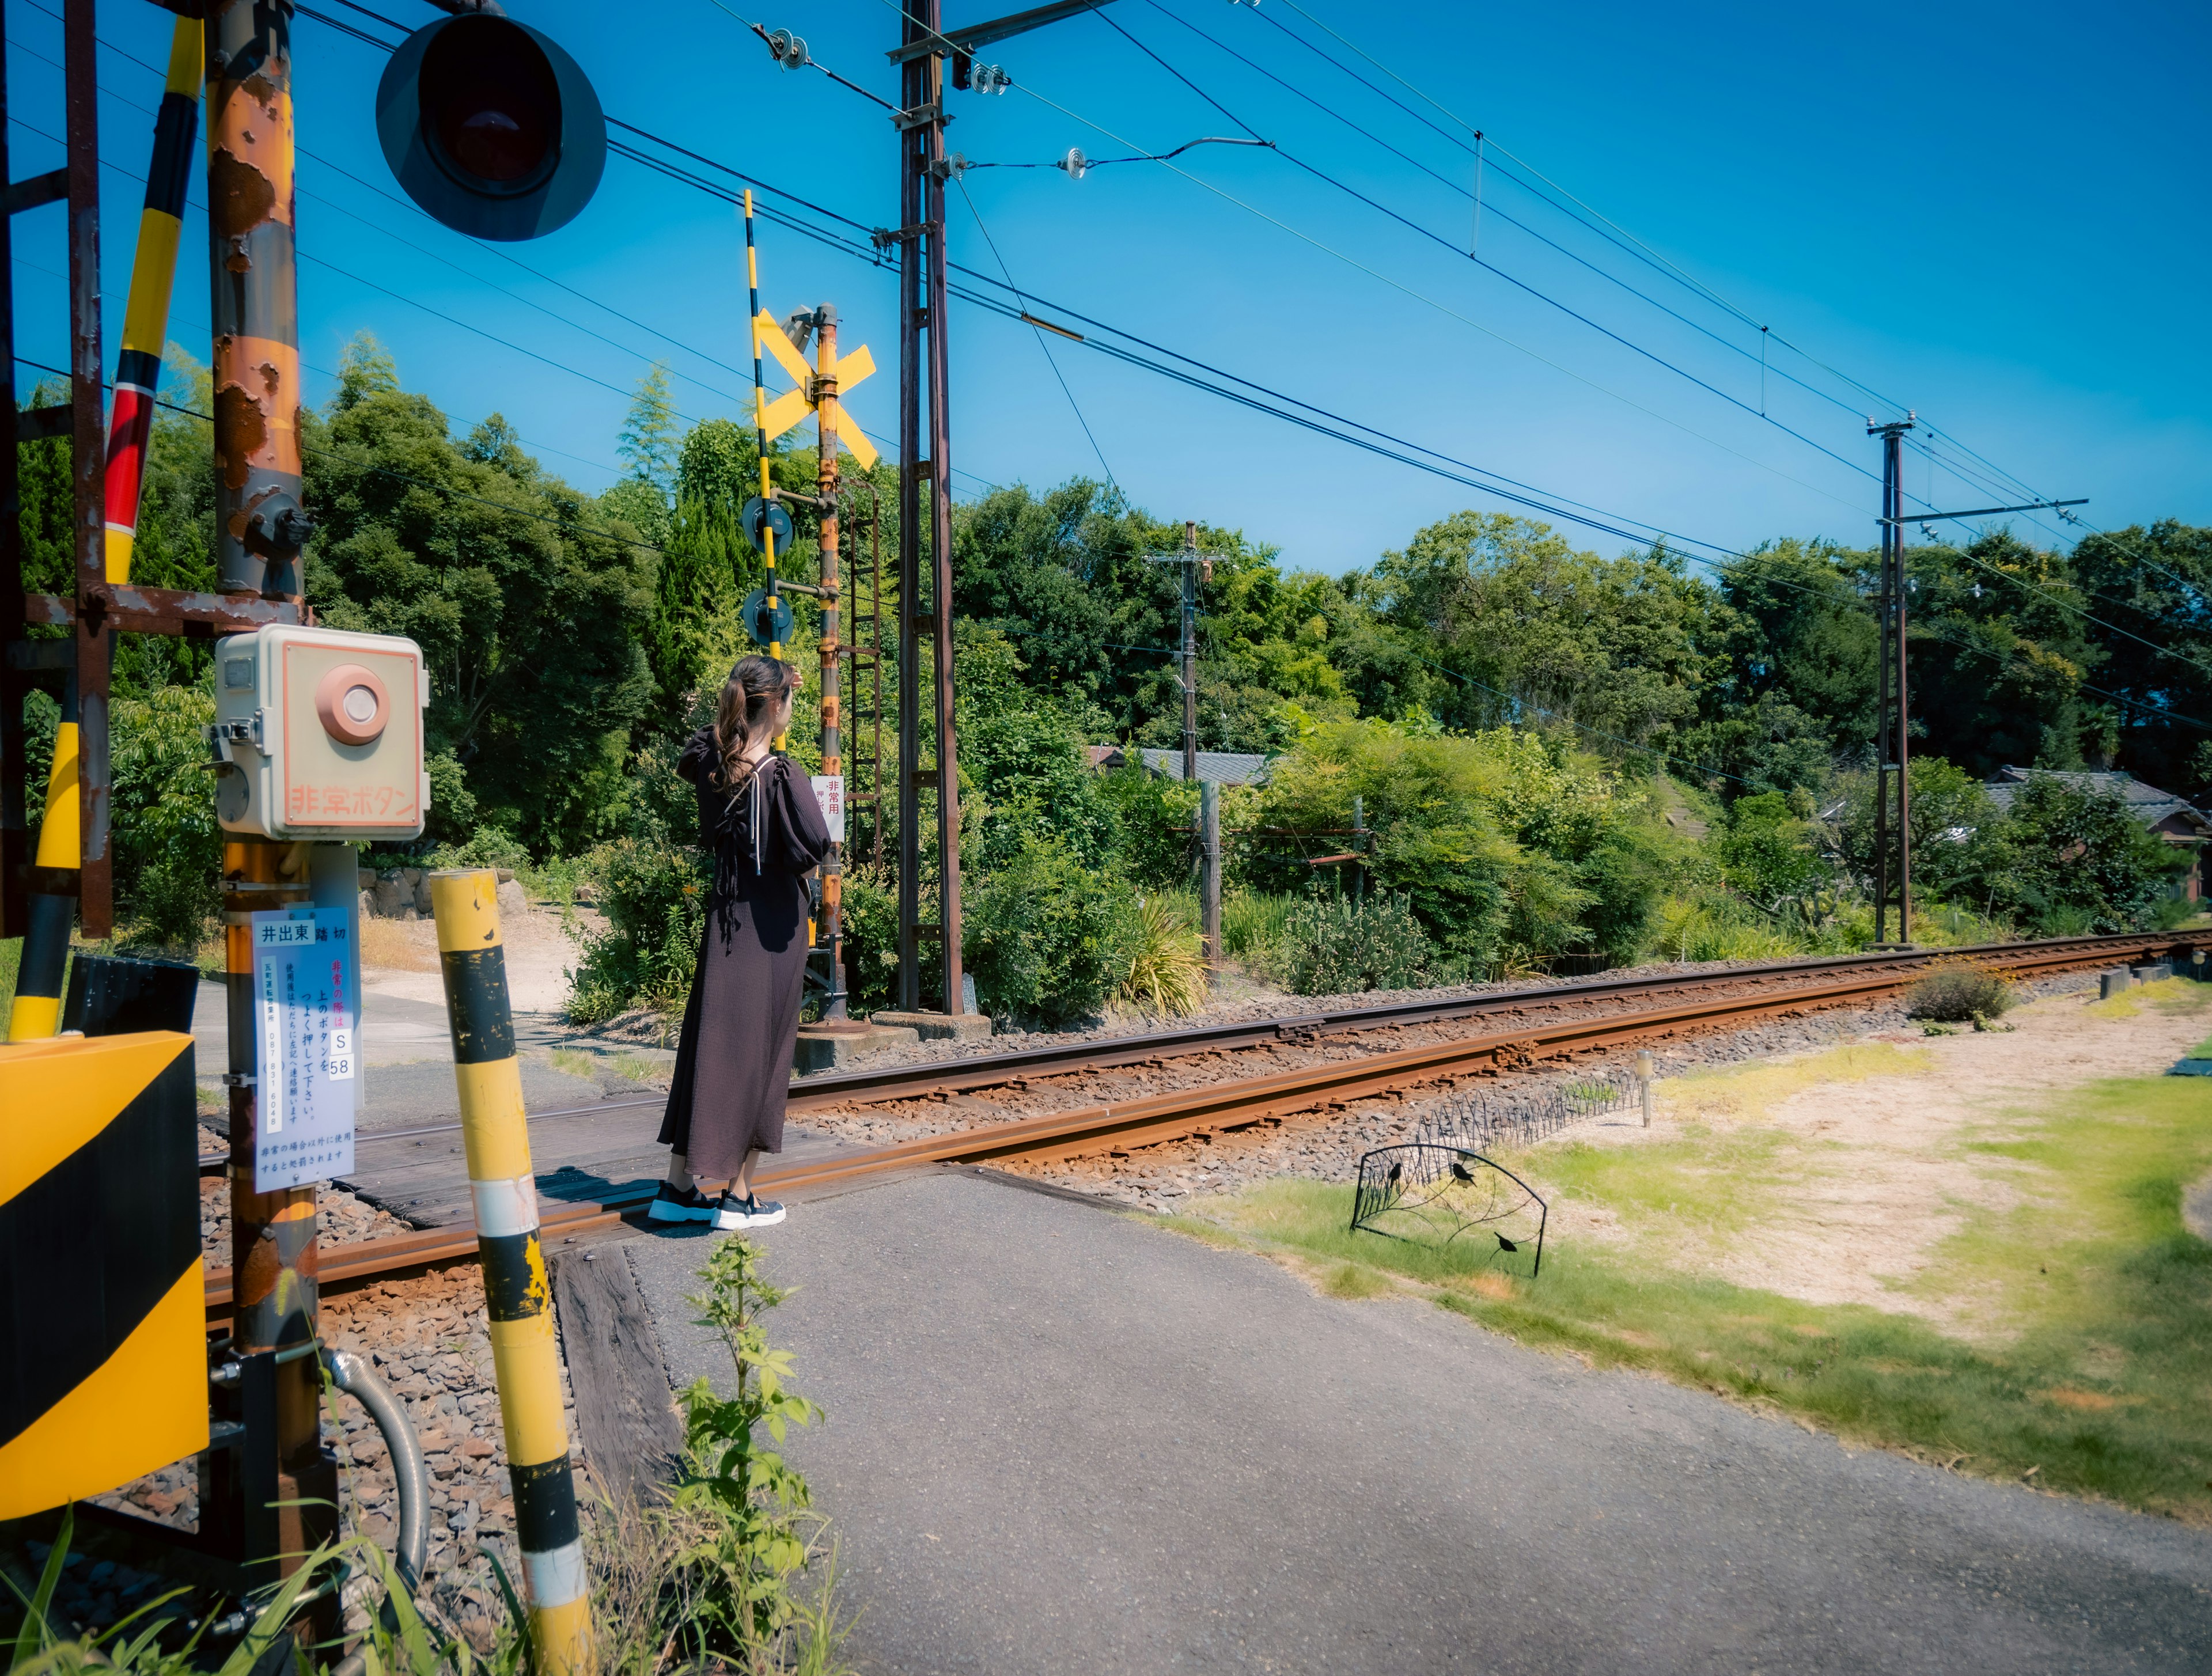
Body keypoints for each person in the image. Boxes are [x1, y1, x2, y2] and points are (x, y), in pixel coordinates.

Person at [651, 655, 831, 1231]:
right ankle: (739, 1196)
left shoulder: (712, 760)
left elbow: (699, 743)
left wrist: (752, 704)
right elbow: (814, 846)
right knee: (763, 1056)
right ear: (775, 705)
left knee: (710, 1049)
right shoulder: (779, 776)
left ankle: (678, 1188)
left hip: (723, 921)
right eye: (789, 700)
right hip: (771, 930)